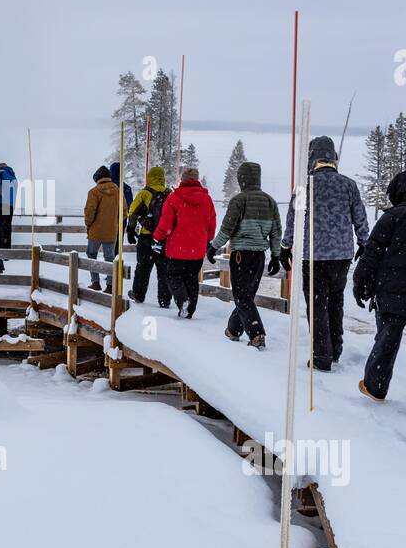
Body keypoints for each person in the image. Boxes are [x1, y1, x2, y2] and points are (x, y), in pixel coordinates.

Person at [353, 167, 406, 410]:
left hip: (391, 293)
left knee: (386, 339)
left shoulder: (392, 217)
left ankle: (375, 386)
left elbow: (372, 254)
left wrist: (361, 284)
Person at [282, 136, 369, 371]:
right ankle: (335, 348)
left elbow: (293, 220)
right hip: (342, 256)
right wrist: (364, 241)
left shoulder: (305, 187)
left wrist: (285, 246)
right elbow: (360, 217)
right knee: (336, 302)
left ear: (312, 158)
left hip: (314, 255)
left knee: (317, 305)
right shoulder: (348, 185)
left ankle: (321, 354)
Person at [205, 160, 281, 349]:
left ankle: (257, 334)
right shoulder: (270, 201)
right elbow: (276, 231)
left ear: (242, 179)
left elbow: (227, 228)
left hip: (241, 255)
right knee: (246, 295)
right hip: (259, 256)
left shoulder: (239, 200)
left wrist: (213, 247)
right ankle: (233, 330)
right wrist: (276, 256)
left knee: (242, 296)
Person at [153, 167, 216, 319]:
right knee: (191, 278)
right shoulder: (207, 199)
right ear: (197, 180)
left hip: (177, 248)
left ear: (183, 180)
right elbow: (211, 223)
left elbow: (166, 224)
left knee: (173, 275)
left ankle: (183, 301)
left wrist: (157, 237)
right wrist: (207, 238)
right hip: (197, 250)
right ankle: (190, 309)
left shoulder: (174, 198)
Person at [126, 166, 172, 307]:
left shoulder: (144, 193)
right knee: (164, 271)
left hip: (146, 237)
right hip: (164, 238)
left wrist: (130, 230)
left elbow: (133, 211)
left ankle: (138, 294)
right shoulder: (170, 194)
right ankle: (165, 300)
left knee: (143, 268)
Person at [84, 165, 123, 292]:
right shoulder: (118, 191)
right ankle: (110, 285)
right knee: (110, 258)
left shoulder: (94, 192)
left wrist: (88, 225)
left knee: (91, 254)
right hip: (111, 231)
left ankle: (95, 282)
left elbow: (90, 212)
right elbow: (124, 211)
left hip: (96, 230)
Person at [0, 162, 18, 249]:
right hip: (10, 205)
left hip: (1, 203)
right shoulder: (13, 177)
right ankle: (7, 250)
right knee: (7, 226)